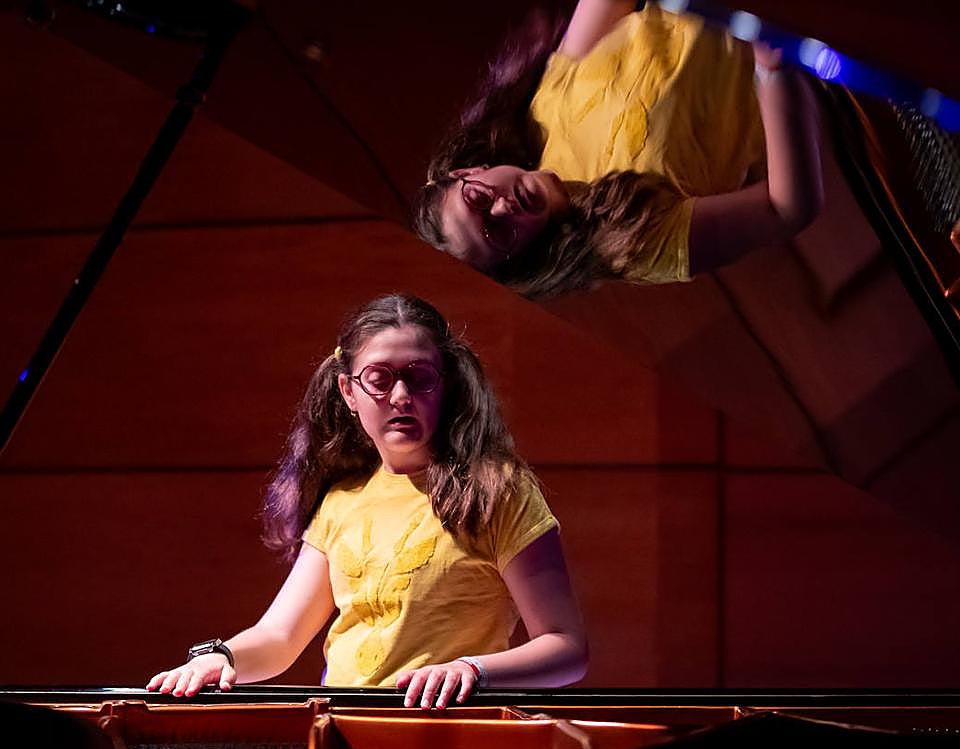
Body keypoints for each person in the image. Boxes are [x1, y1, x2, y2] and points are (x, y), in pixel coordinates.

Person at [146, 294, 587, 708]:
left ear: (445, 387)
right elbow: (280, 637)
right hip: (346, 741)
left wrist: (472, 669)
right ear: (349, 392)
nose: (400, 396)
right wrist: (220, 657)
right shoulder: (341, 500)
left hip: (454, 745)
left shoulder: (497, 490)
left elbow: (565, 648)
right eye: (380, 379)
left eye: (419, 378)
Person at [410, 0, 824, 298]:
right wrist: (773, 67)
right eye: (496, 233)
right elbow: (786, 209)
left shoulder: (540, 115)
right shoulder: (628, 245)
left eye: (479, 200)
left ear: (468, 172)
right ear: (516, 257)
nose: (502, 210)